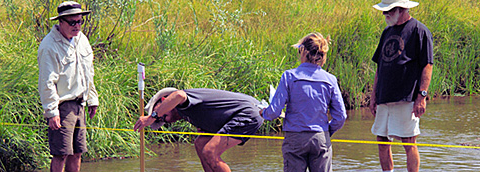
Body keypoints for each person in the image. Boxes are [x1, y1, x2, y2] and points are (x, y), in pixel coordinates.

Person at [260, 32, 347, 172]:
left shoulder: (289, 76)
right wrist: (326, 131)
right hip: (321, 138)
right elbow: (341, 116)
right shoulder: (330, 80)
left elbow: (274, 112)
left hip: (295, 138)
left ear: (304, 52)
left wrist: (263, 113)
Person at [368, 0, 434, 172]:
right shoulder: (387, 32)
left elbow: (427, 65)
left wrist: (422, 96)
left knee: (409, 141)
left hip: (407, 96)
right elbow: (380, 66)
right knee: (382, 140)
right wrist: (374, 95)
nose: (385, 14)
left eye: (388, 10)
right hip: (384, 96)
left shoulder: (419, 31)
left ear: (402, 8)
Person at [133, 88, 264, 172]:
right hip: (237, 115)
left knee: (210, 151)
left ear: (164, 100)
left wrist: (152, 116)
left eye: (162, 115)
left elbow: (178, 95)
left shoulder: (182, 102)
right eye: (161, 121)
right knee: (200, 143)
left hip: (247, 112)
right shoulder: (187, 114)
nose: (163, 120)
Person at [37, 1, 98, 172]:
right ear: (61, 22)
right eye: (72, 22)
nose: (77, 26)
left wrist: (92, 98)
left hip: (80, 104)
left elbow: (88, 72)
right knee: (61, 154)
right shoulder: (49, 46)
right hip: (62, 107)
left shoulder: (82, 39)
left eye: (80, 21)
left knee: (77, 152)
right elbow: (46, 82)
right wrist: (52, 112)